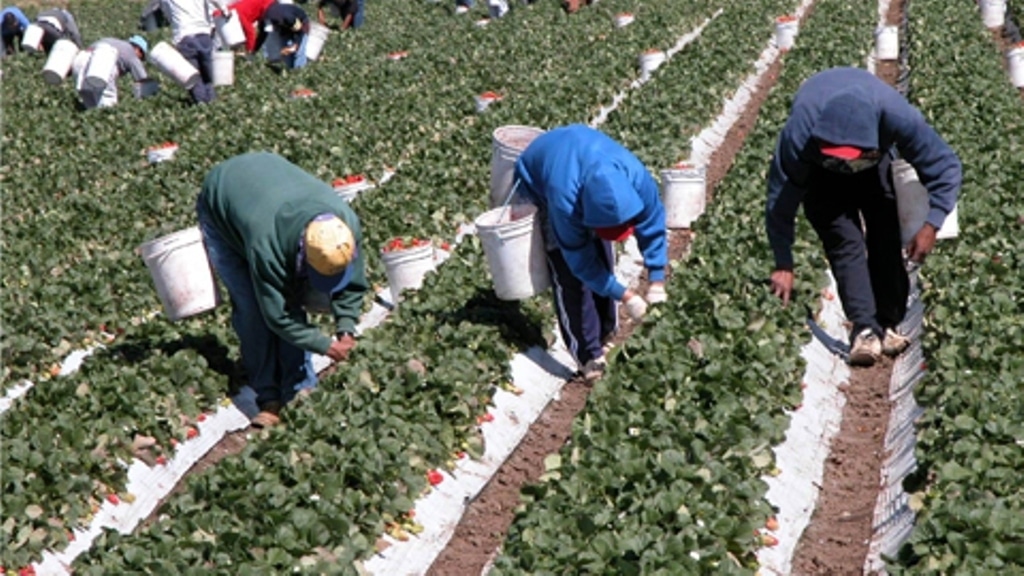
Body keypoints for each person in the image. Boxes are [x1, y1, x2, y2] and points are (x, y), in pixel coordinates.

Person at [765, 67, 961, 367]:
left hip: (874, 160)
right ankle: (865, 328)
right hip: (819, 170)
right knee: (844, 239)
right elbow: (781, 198)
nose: (844, 165)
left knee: (884, 229)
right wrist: (783, 261)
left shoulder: (897, 117)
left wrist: (932, 223)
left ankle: (888, 321)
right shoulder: (801, 132)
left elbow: (945, 166)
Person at [196, 152, 369, 428]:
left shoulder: (344, 228)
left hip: (267, 185)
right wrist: (326, 346)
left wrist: (345, 329)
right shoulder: (267, 243)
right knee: (252, 307)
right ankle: (268, 397)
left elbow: (354, 284)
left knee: (294, 295)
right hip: (223, 200)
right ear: (303, 254)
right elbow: (279, 314)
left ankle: (299, 389)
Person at [512, 124, 668, 382]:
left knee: (602, 255)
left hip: (582, 162)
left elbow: (652, 222)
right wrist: (627, 295)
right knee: (568, 273)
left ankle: (606, 332)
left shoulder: (636, 178)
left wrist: (657, 279)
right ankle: (587, 354)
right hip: (539, 180)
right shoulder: (565, 201)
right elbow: (579, 262)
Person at [161, 0, 217, 104]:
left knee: (193, 77)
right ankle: (212, 103)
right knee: (208, 75)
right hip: (204, 35)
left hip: (184, 37)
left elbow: (167, 12)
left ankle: (202, 105)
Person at [74, 36, 150, 110]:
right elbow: (143, 80)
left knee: (91, 104)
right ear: (138, 49)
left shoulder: (111, 41)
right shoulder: (131, 53)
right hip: (102, 62)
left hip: (80, 62)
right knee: (109, 105)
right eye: (141, 57)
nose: (140, 60)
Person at [256, 2, 310, 67]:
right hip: (283, 25)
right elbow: (263, 35)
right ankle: (288, 68)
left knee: (299, 52)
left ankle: (299, 68)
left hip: (301, 23)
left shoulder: (289, 17)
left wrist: (296, 46)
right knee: (284, 49)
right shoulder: (267, 17)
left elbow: (299, 31)